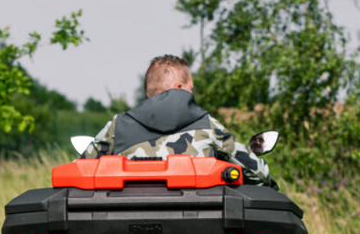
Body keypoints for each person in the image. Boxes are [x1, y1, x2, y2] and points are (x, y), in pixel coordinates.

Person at [83, 55, 270, 184]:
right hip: (202, 231)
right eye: (191, 88)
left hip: (127, 230)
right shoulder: (207, 125)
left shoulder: (118, 125)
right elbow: (258, 175)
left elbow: (81, 173)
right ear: (180, 87)